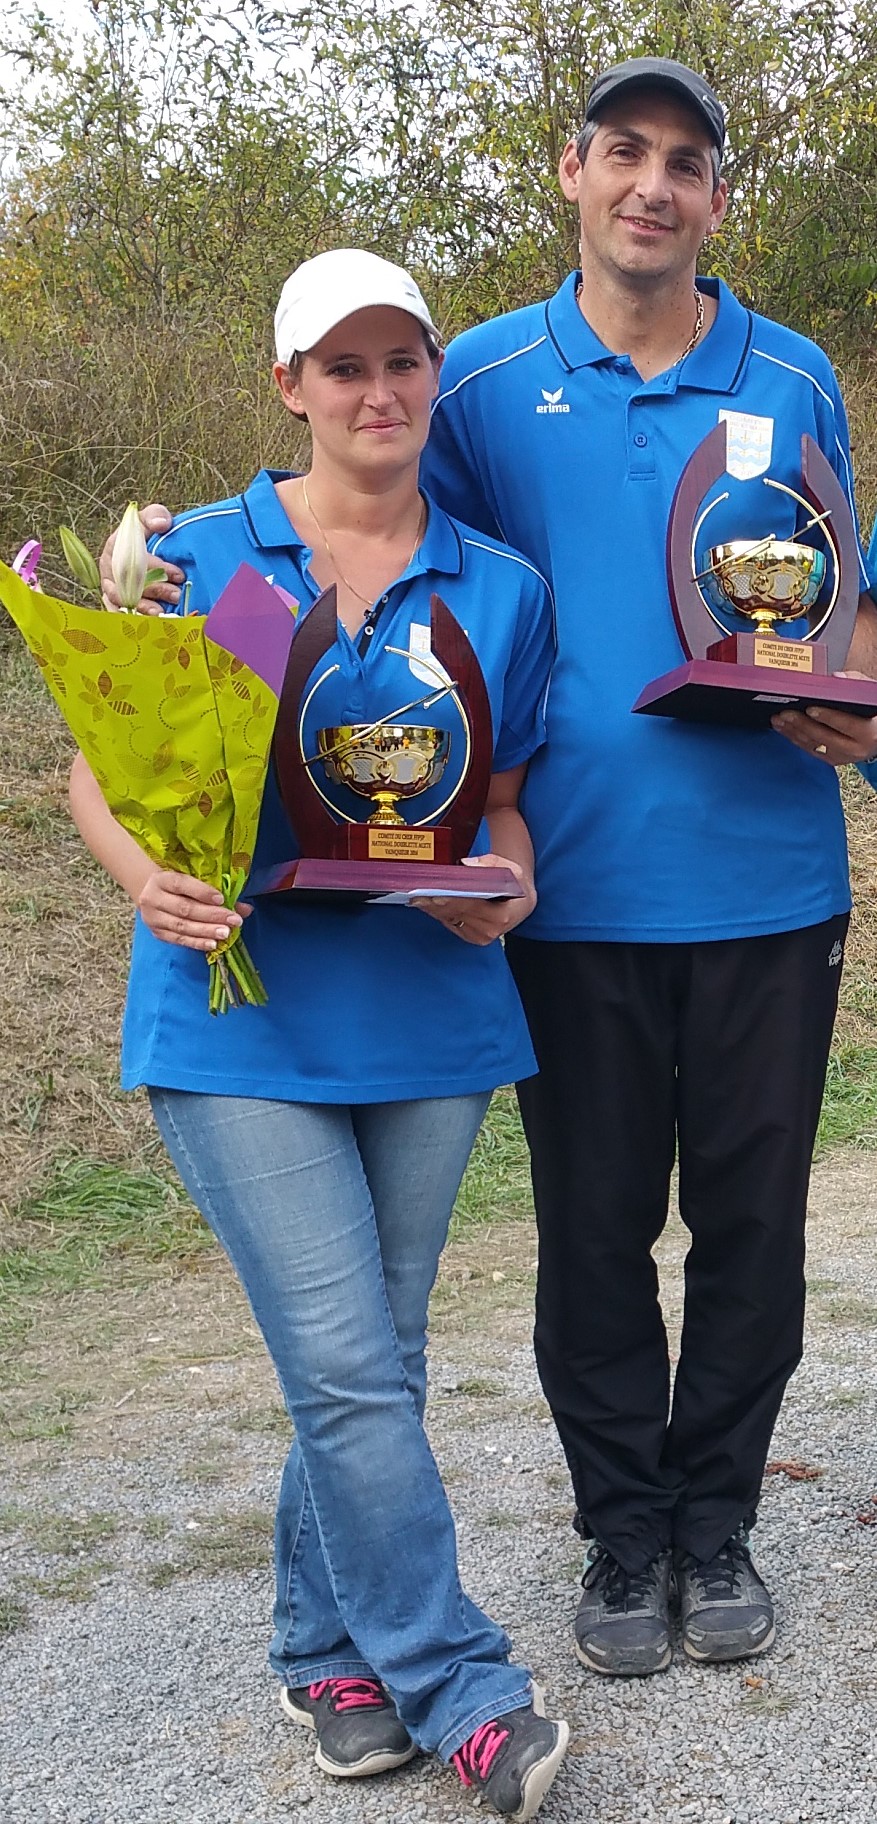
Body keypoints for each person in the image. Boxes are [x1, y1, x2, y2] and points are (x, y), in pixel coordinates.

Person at [73, 248, 568, 1823]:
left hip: (429, 1016)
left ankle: (325, 1654)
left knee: (374, 1363)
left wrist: (503, 895)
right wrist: (144, 875)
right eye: (340, 367)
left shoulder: (501, 587)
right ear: (287, 385)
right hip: (238, 1020)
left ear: (430, 377)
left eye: (401, 361)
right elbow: (108, 766)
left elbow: (495, 812)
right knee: (351, 1369)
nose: (377, 392)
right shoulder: (196, 558)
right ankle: (457, 1682)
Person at [416, 56, 877, 1677]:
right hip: (572, 895)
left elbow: (836, 599)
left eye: (686, 161)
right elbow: (423, 614)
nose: (652, 186)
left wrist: (855, 718)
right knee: (592, 1230)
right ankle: (621, 1537)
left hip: (769, 887)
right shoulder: (473, 384)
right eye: (625, 152)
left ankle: (717, 1521)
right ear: (572, 171)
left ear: (716, 200)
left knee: (750, 1227)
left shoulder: (795, 374)